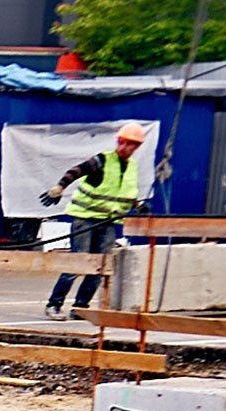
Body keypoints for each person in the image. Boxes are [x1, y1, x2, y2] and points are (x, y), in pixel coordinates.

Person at [40, 120, 155, 317]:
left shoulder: (131, 167)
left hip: (107, 222)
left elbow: (124, 191)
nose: (126, 148)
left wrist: (138, 205)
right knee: (78, 264)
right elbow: (76, 171)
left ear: (137, 147)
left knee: (100, 266)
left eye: (131, 145)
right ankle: (54, 304)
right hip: (85, 220)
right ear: (118, 141)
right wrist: (59, 188)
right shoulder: (102, 160)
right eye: (123, 143)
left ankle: (80, 308)